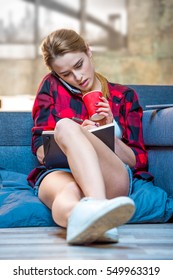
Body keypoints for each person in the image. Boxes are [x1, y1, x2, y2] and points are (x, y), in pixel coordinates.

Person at [27, 28, 173, 245]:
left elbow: (136, 160)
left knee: (66, 125)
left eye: (79, 65)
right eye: (65, 74)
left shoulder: (124, 97)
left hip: (110, 176)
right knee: (67, 189)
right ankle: (87, 221)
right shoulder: (51, 87)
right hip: (61, 172)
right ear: (57, 75)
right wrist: (70, 141)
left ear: (88, 51)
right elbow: (40, 149)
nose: (77, 77)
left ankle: (95, 204)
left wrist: (106, 130)